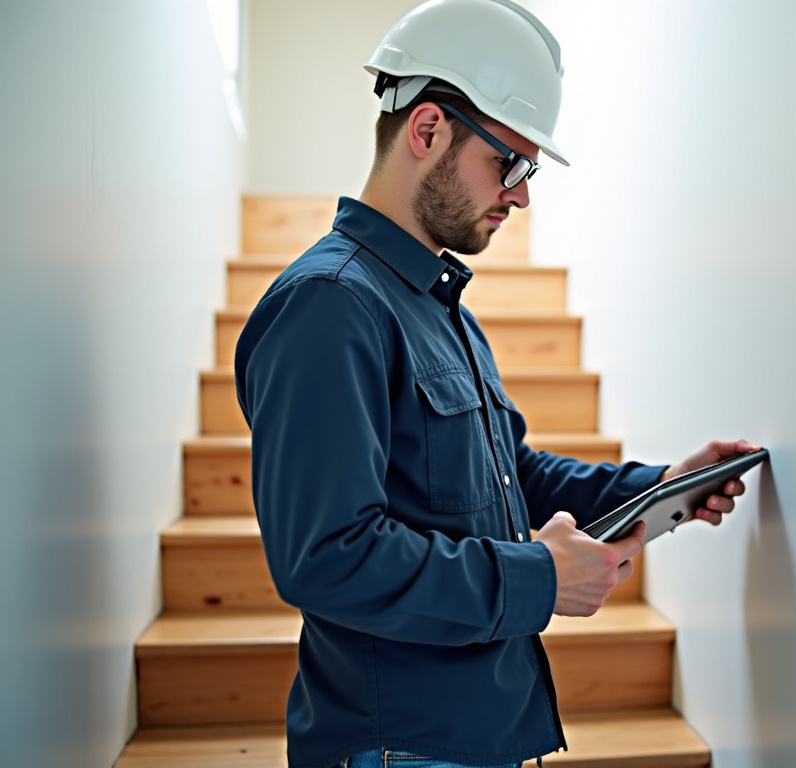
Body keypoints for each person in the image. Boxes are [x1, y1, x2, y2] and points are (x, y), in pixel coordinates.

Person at [233, 1, 758, 767]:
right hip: (399, 748)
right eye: (509, 163)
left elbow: (511, 477)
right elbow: (328, 557)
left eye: (529, 171)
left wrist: (655, 486)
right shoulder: (330, 305)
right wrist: (537, 578)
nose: (521, 195)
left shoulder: (435, 304)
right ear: (427, 130)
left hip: (480, 732)